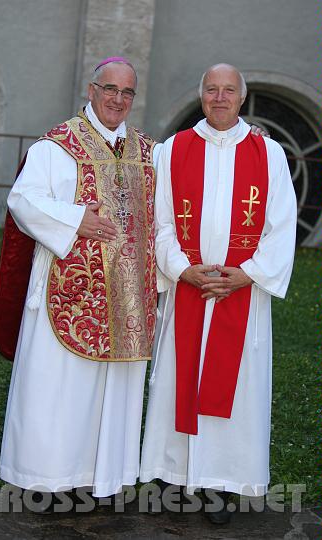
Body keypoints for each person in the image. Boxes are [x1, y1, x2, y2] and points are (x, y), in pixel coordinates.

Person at [0, 57, 162, 504]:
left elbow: (189, 164)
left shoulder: (149, 152)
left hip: (126, 300)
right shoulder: (57, 145)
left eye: (127, 93)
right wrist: (74, 221)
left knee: (113, 395)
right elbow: (23, 200)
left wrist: (247, 133)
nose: (118, 100)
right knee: (60, 391)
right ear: (92, 90)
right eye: (110, 89)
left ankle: (102, 479)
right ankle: (48, 480)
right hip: (68, 295)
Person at [139, 63, 297, 523]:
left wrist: (246, 274)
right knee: (177, 380)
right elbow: (161, 222)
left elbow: (281, 228)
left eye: (229, 90)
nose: (220, 97)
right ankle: (174, 473)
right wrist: (184, 270)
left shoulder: (268, 155)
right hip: (189, 288)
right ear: (201, 95)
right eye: (212, 89)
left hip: (240, 295)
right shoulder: (172, 151)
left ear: (242, 98)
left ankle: (219, 483)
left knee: (235, 389)